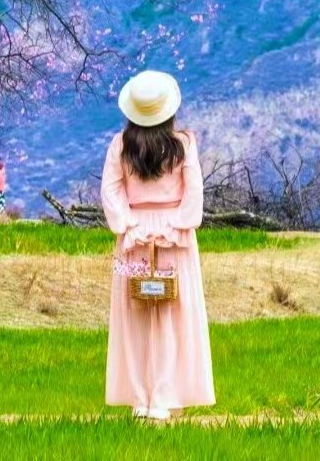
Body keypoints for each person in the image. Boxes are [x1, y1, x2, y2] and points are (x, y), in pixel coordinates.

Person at [101, 69, 215, 421]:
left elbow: (111, 189)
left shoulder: (122, 144)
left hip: (134, 236)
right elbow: (194, 190)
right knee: (172, 315)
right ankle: (165, 398)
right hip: (174, 235)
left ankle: (140, 398)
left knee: (135, 315)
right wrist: (178, 224)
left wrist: (128, 224)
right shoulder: (183, 144)